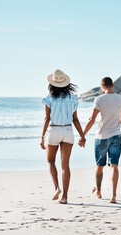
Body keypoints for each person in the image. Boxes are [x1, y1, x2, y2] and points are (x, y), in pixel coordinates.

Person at [40, 69, 86, 204]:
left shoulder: (49, 98)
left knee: (50, 161)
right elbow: (75, 119)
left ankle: (56, 188)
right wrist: (82, 136)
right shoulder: (72, 99)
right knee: (65, 166)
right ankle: (65, 197)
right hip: (68, 131)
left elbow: (47, 118)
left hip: (54, 131)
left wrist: (42, 137)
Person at [81, 77, 121, 203]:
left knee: (99, 166)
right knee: (114, 165)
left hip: (101, 137)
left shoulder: (99, 99)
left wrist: (83, 135)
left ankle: (99, 192)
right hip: (116, 135)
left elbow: (92, 119)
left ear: (102, 86)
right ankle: (113, 196)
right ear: (112, 85)